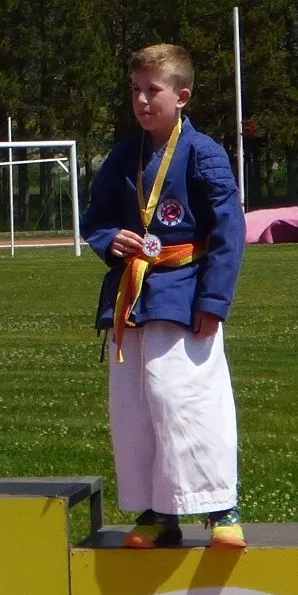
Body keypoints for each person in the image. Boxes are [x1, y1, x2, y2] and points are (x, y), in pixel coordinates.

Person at [80, 44, 245, 549]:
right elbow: (96, 219)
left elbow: (229, 231)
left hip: (184, 292)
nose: (142, 100)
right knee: (135, 403)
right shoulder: (123, 155)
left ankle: (221, 507)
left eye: (153, 90)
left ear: (182, 96)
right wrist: (112, 240)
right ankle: (159, 512)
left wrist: (213, 303)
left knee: (187, 397)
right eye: (135, 90)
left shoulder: (205, 153)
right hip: (132, 294)